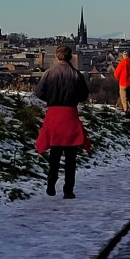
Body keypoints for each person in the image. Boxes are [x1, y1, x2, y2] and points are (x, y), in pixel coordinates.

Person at [34, 45, 91, 199]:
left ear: (57, 57)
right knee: (71, 156)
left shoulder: (49, 73)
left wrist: (51, 100)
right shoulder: (76, 74)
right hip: (70, 114)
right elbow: (84, 95)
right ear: (70, 57)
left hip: (53, 114)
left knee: (55, 151)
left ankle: (51, 183)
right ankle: (68, 190)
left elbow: (38, 92)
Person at [113, 51, 130, 116]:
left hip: (123, 83)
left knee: (124, 98)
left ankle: (126, 111)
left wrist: (120, 79)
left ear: (124, 56)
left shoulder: (121, 64)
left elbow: (116, 74)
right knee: (129, 98)